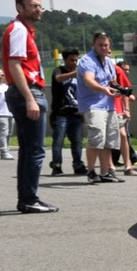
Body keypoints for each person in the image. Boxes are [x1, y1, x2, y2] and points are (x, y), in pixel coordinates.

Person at [2, 0, 57, 214]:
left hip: (27, 91)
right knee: (34, 150)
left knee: (28, 150)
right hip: (27, 91)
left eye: (39, 5)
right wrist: (29, 98)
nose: (38, 9)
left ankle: (27, 198)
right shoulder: (18, 30)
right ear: (20, 8)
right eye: (33, 5)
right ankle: (29, 198)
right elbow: (15, 65)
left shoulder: (24, 31)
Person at [76, 32, 123, 184]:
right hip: (93, 105)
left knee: (109, 140)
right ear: (94, 45)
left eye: (106, 45)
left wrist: (118, 91)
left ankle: (105, 172)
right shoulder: (87, 60)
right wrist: (104, 89)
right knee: (96, 139)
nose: (103, 48)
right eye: (100, 45)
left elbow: (113, 81)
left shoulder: (109, 61)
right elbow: (89, 80)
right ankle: (90, 171)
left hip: (108, 104)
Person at [49, 48, 86, 176]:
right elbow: (58, 78)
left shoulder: (79, 74)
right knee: (58, 141)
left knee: (77, 141)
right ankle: (57, 165)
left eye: (76, 60)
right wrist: (74, 73)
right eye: (71, 60)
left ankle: (78, 165)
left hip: (76, 112)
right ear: (65, 60)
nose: (74, 63)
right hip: (61, 113)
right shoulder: (58, 70)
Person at [112, 60, 137, 177]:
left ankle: (128, 166)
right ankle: (109, 166)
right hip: (103, 108)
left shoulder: (117, 70)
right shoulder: (94, 68)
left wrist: (126, 109)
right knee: (106, 139)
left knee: (123, 135)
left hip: (117, 108)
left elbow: (125, 92)